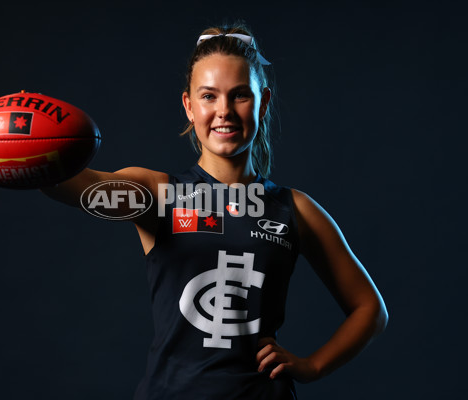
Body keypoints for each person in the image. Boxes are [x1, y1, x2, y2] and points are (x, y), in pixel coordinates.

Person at [41, 24, 388, 400]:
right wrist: (27, 148)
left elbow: (370, 309)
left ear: (264, 102)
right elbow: (69, 186)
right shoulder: (157, 194)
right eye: (209, 96)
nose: (224, 111)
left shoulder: (295, 209)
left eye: (240, 95)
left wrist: (313, 366)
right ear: (189, 106)